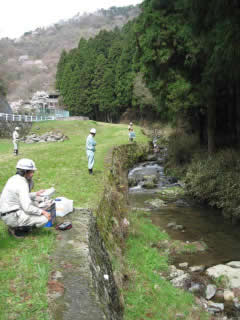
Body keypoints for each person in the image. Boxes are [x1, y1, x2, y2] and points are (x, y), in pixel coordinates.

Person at [0, 158, 51, 238]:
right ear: (24, 172)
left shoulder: (13, 178)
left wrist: (36, 194)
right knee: (44, 218)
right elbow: (27, 207)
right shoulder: (22, 183)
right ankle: (18, 230)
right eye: (31, 172)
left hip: (7, 213)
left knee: (35, 204)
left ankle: (15, 225)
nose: (32, 174)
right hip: (12, 216)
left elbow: (20, 196)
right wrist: (43, 212)